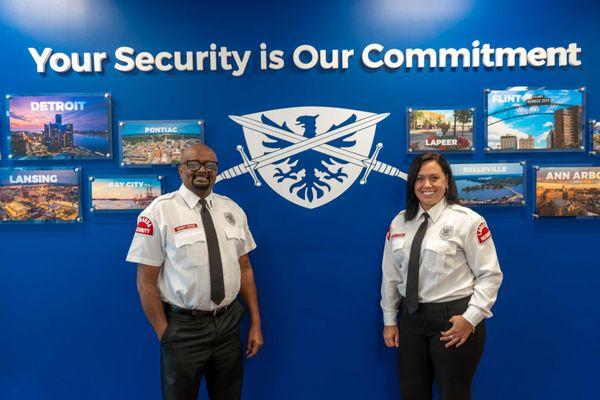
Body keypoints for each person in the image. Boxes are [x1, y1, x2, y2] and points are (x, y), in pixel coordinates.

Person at [126, 143, 264, 400]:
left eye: (210, 165)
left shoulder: (232, 210)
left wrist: (255, 323)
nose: (202, 170)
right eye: (193, 164)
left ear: (216, 171)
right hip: (183, 329)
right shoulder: (159, 212)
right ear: (181, 170)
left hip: (228, 324)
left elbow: (245, 268)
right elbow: (146, 281)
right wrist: (165, 333)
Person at [380, 152, 503, 400]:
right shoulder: (400, 222)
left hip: (453, 321)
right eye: (420, 179)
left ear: (447, 181)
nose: (427, 185)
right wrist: (390, 319)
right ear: (412, 183)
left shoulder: (467, 221)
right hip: (411, 322)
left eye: (434, 178)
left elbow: (490, 275)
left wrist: (471, 319)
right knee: (412, 394)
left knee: (453, 395)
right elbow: (391, 275)